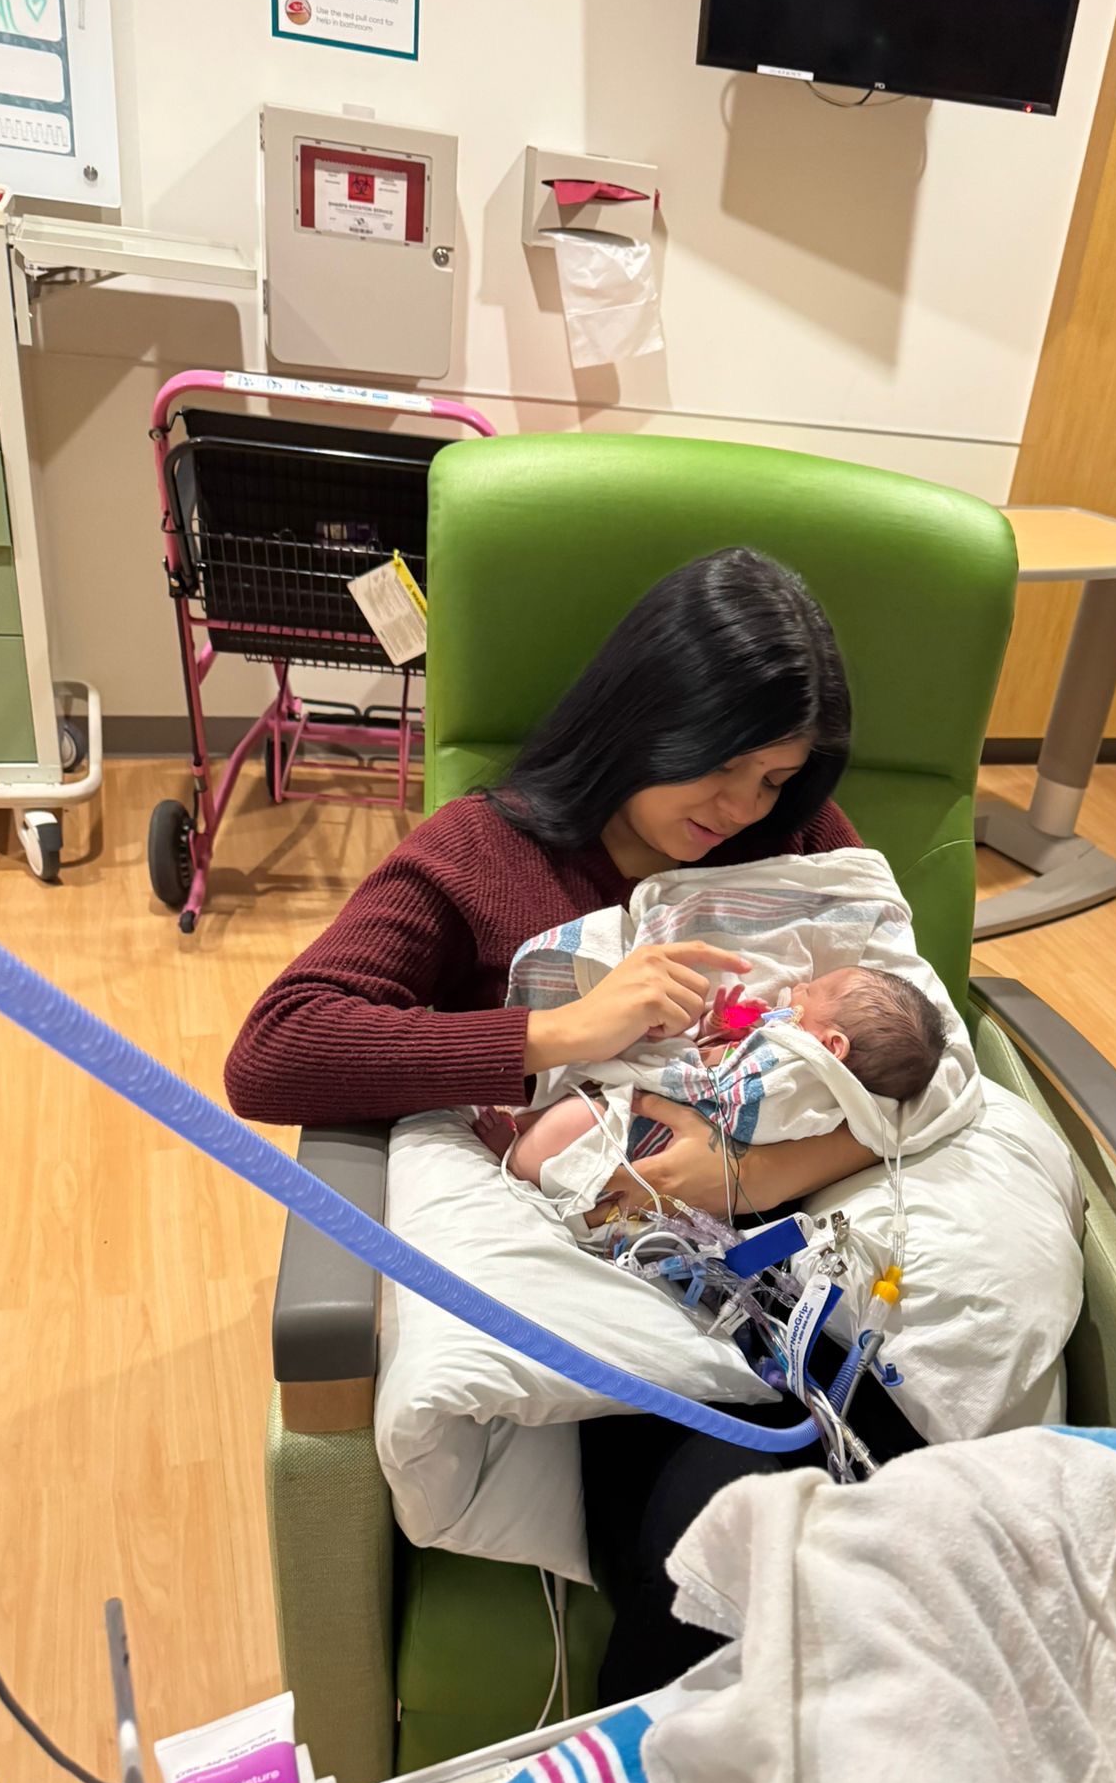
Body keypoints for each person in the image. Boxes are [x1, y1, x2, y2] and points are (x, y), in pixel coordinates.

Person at [226, 545, 907, 1700]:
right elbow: (276, 1046)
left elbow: (909, 1027)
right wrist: (555, 1032)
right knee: (727, 1554)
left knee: (906, 1507)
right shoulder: (484, 857)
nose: (742, 809)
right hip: (623, 1289)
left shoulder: (795, 844)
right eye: (723, 765)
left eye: (775, 777)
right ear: (646, 710)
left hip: (798, 1251)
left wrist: (752, 1171)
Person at [500, 964, 947, 1192]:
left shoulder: (804, 1081)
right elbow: (728, 1056)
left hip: (661, 1134)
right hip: (661, 1106)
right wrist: (722, 1028)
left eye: (813, 992)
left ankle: (518, 1159)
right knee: (576, 1106)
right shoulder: (779, 1045)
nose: (799, 987)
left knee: (575, 1120)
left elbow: (735, 1097)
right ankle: (520, 1129)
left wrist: (695, 1065)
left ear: (831, 1047)